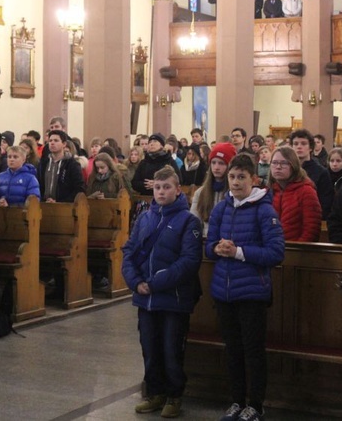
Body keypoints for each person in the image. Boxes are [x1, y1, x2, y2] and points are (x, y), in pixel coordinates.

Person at [206, 154, 285, 421]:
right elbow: (208, 246)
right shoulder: (221, 208)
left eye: (241, 177)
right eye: (232, 177)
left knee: (253, 351)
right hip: (224, 290)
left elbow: (275, 253)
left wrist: (239, 252)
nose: (236, 182)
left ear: (253, 179)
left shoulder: (264, 209)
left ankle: (256, 404)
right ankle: (237, 401)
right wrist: (215, 248)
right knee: (232, 350)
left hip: (252, 291)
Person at [122, 166, 202, 419]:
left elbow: (189, 261)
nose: (161, 192)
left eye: (167, 187)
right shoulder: (145, 217)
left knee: (171, 349)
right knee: (150, 347)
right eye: (157, 187)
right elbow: (130, 252)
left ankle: (174, 396)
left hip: (173, 299)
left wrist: (155, 283)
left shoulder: (188, 221)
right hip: (145, 298)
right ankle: (154, 393)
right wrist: (135, 282)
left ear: (178, 190)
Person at [268, 147, 322, 241]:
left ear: (293, 166)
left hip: (296, 250)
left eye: (284, 163)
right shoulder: (268, 192)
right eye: (274, 162)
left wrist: (296, 250)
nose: (278, 167)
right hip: (271, 249)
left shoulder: (306, 191)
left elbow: (311, 229)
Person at [191, 142, 236, 236]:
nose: (216, 167)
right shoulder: (200, 193)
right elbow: (194, 223)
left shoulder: (236, 193)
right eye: (213, 162)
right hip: (205, 240)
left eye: (221, 163)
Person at [290, 129, 333, 219]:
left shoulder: (321, 172)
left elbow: (325, 202)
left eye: (303, 143)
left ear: (310, 147)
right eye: (296, 144)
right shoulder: (287, 169)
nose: (299, 147)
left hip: (312, 218)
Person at [38, 129, 85, 203]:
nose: (52, 143)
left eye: (56, 141)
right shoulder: (43, 163)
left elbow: (79, 188)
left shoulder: (72, 164)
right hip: (44, 205)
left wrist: (59, 201)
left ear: (64, 144)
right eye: (50, 141)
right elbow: (39, 185)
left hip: (65, 206)